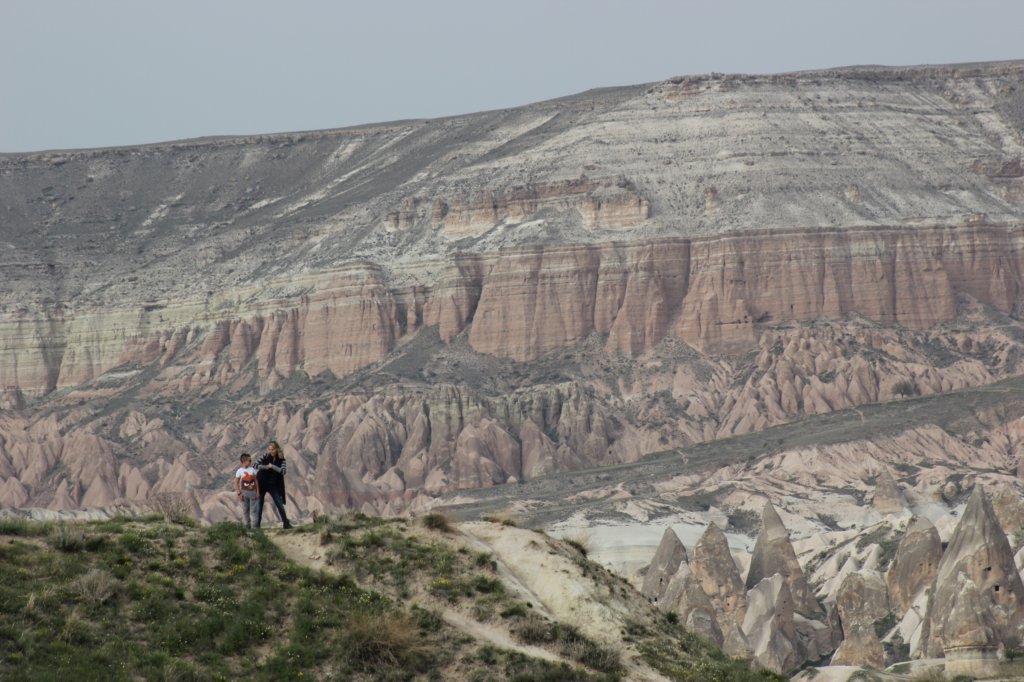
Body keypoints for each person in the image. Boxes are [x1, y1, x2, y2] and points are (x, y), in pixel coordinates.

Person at [255, 440, 292, 529]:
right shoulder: (265, 456)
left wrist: (273, 467)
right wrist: (266, 467)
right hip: (262, 483)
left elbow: (283, 471)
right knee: (259, 504)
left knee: (279, 503)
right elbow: (255, 465)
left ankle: (286, 523)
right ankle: (257, 526)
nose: (271, 451)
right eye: (269, 449)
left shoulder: (281, 459)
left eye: (273, 449)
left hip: (273, 484)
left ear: (277, 449)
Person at [234, 453, 259, 529]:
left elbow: (256, 481)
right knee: (245, 510)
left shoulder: (252, 470)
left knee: (254, 510)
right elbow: (236, 482)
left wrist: (258, 491)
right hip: (244, 493)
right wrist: (239, 493)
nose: (251, 461)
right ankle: (247, 526)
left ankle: (255, 527)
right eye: (249, 460)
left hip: (253, 492)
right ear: (244, 461)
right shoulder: (239, 471)